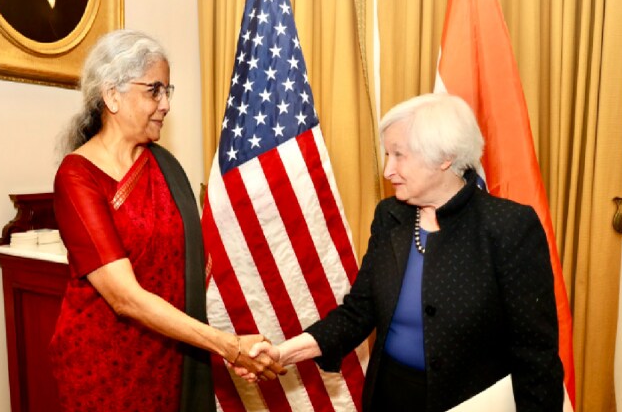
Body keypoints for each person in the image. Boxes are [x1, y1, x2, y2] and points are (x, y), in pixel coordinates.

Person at [244, 93, 564, 411]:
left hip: (469, 400)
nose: (387, 171)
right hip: (390, 396)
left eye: (399, 155)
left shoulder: (508, 226)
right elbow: (358, 312)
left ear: (444, 157)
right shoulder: (391, 216)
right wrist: (283, 353)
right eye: (387, 154)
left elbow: (535, 353)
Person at [50, 29, 283, 412]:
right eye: (154, 91)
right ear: (112, 95)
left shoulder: (164, 166)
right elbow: (124, 297)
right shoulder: (78, 177)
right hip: (103, 368)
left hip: (170, 354)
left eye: (167, 91)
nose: (165, 105)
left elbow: (193, 268)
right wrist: (229, 346)